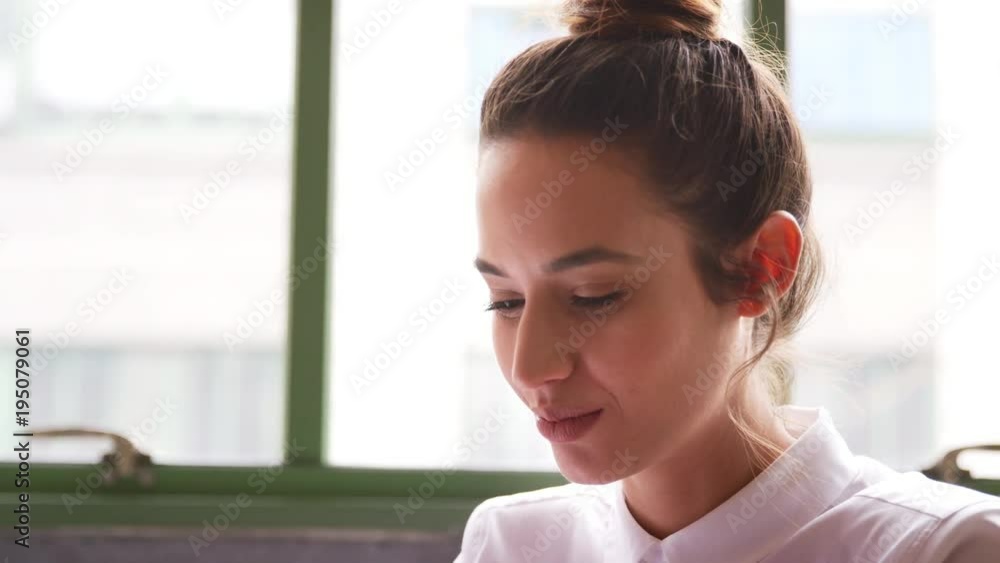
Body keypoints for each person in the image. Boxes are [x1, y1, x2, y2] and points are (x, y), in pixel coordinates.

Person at [456, 0, 1000, 561]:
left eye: (593, 297)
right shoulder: (511, 543)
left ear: (762, 267)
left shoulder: (947, 548)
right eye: (506, 302)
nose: (530, 367)